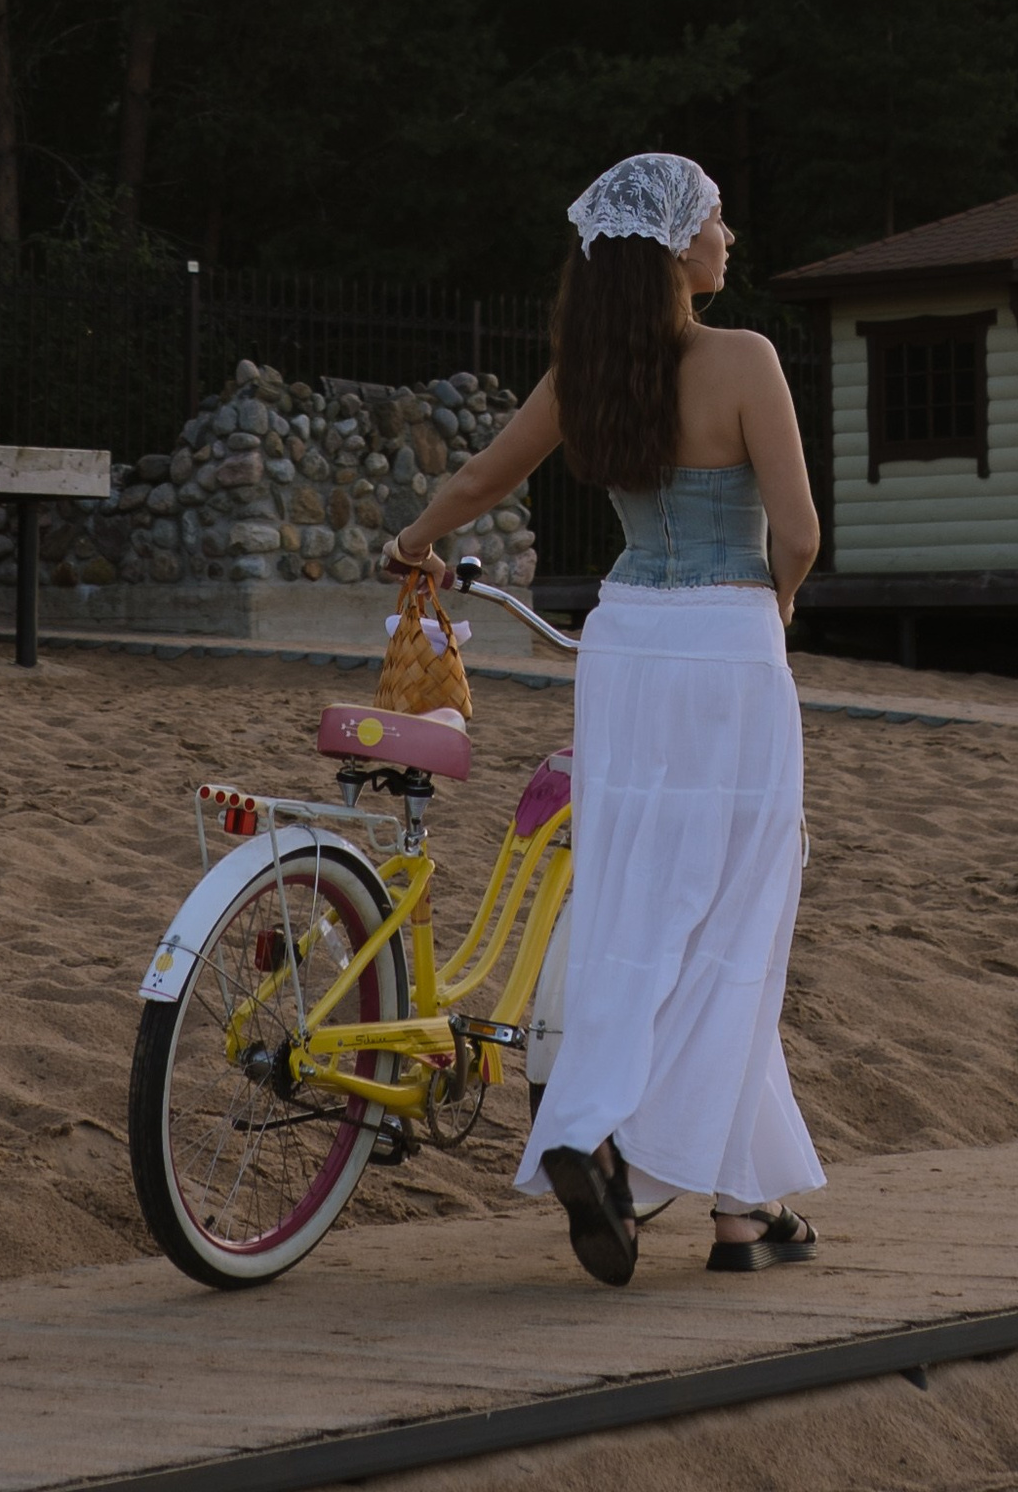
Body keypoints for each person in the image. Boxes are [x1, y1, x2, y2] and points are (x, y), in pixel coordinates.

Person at [378, 153, 824, 1286]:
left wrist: (415, 543)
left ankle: (685, 1181)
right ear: (680, 245)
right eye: (719, 220)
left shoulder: (589, 370)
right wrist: (775, 606)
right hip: (726, 642)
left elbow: (482, 477)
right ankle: (673, 1177)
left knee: (635, 895)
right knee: (731, 916)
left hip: (626, 645)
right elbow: (800, 529)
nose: (731, 238)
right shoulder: (742, 360)